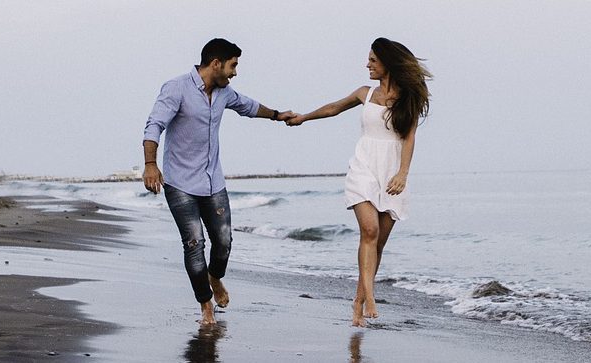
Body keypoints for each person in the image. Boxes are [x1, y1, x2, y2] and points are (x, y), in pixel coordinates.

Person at [142, 38, 295, 326]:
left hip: (213, 182)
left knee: (223, 242)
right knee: (194, 243)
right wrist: (151, 164)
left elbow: (248, 106)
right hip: (180, 183)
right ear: (216, 64)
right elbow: (154, 125)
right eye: (233, 65)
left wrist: (277, 115)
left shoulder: (224, 92)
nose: (235, 72)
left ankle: (215, 277)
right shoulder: (176, 88)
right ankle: (205, 305)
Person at [285, 37, 432, 327]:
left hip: (391, 172)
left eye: (373, 60)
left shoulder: (408, 99)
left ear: (387, 64)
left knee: (377, 245)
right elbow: (333, 108)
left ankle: (358, 302)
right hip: (363, 166)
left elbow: (410, 138)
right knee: (369, 230)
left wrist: (402, 174)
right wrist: (303, 118)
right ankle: (371, 296)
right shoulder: (365, 93)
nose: (367, 64)